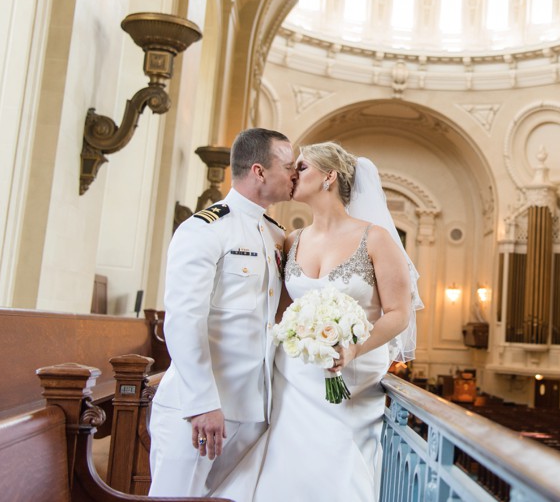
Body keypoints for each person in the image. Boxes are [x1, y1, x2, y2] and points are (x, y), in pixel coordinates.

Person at [215, 141, 423, 502]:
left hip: (351, 378)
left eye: (303, 167)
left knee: (335, 472)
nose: (293, 174)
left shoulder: (375, 238)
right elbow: (280, 313)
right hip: (293, 376)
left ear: (330, 176)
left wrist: (354, 347)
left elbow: (399, 314)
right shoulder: (291, 240)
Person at [148, 128, 297, 498]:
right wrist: (202, 405)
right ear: (260, 171)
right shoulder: (205, 229)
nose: (294, 175)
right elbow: (183, 321)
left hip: (252, 409)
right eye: (289, 166)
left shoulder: (275, 234)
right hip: (198, 409)